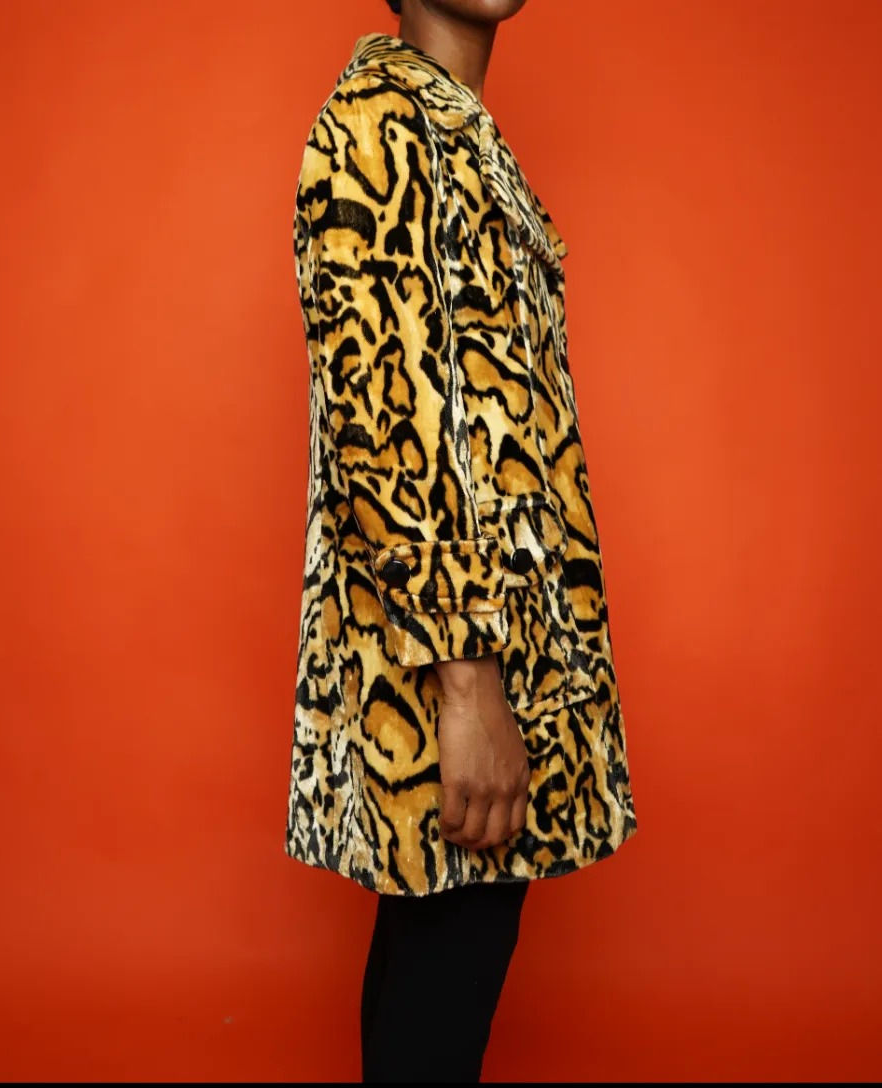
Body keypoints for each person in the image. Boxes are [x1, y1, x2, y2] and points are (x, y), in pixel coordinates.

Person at [287, 2, 638, 1080]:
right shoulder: (379, 123)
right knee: (443, 985)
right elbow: (380, 420)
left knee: (432, 968)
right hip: (447, 659)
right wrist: (467, 679)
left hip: (504, 650)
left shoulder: (459, 137)